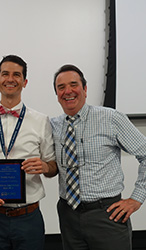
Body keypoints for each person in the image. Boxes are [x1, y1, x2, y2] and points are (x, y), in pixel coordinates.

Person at [50, 64, 146, 250]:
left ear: (85, 89)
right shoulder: (53, 126)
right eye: (61, 87)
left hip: (107, 215)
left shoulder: (111, 118)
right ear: (57, 94)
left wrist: (136, 199)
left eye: (73, 84)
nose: (68, 91)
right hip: (68, 215)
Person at [0, 55, 58, 250]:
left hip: (29, 218)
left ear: (24, 82)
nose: (10, 79)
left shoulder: (41, 121)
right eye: (5, 74)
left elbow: (53, 167)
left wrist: (44, 166)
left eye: (17, 75)